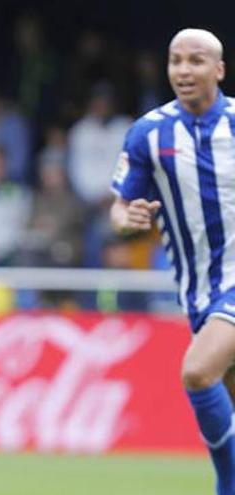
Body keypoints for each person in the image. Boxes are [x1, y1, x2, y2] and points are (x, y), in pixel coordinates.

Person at [110, 28, 235, 495]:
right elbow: (122, 206)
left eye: (196, 61)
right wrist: (130, 218)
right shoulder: (148, 133)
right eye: (175, 60)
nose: (184, 70)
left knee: (198, 373)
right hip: (197, 291)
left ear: (218, 70)